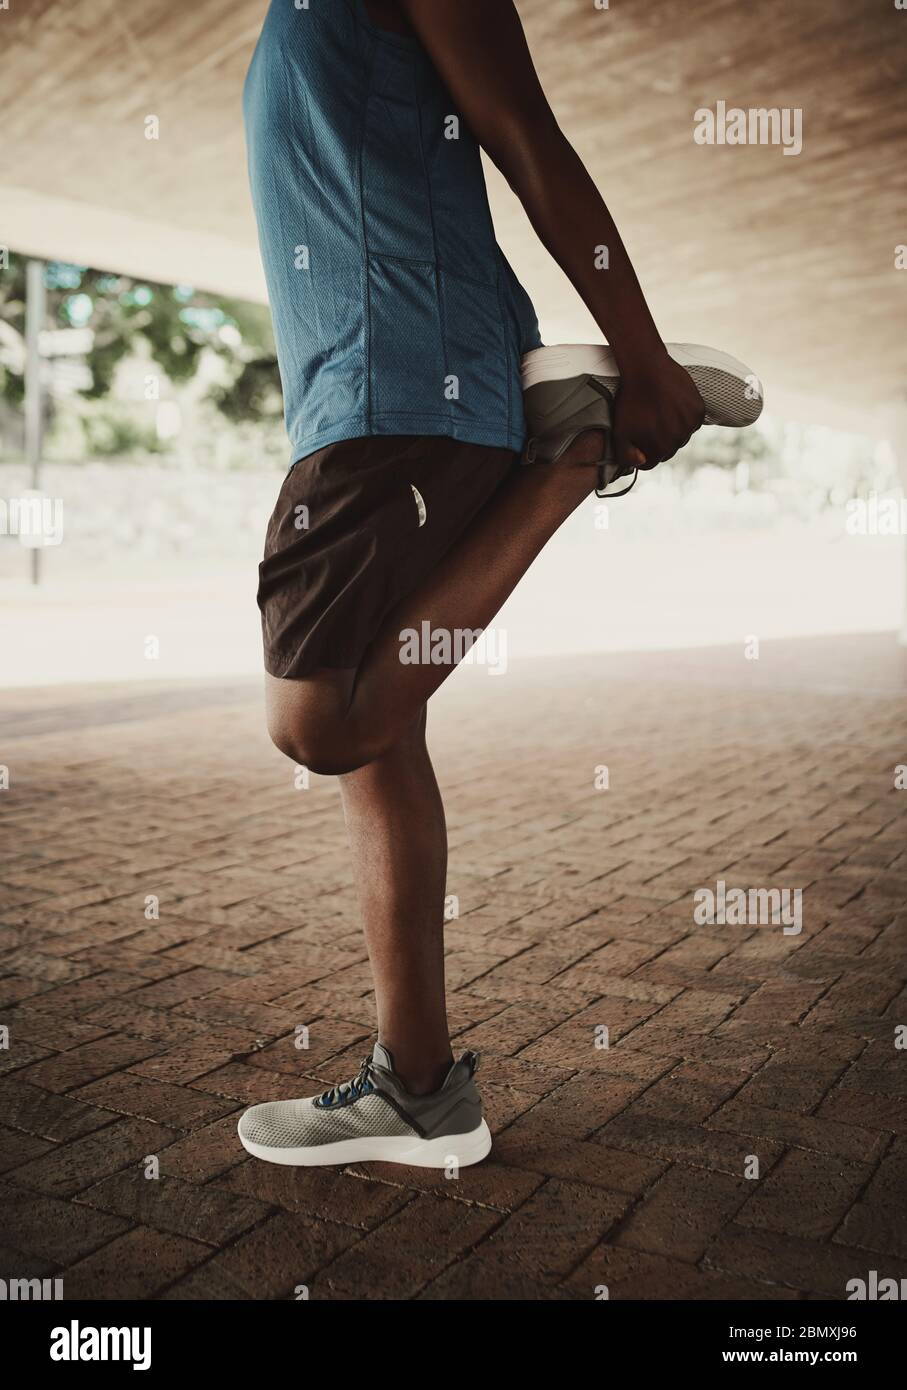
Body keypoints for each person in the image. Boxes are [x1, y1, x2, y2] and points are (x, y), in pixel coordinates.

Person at [237, 0, 708, 1169]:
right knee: (381, 735)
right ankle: (420, 1087)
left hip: (402, 378)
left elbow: (526, 137)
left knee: (318, 722)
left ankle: (572, 461)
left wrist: (639, 357)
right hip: (375, 381)